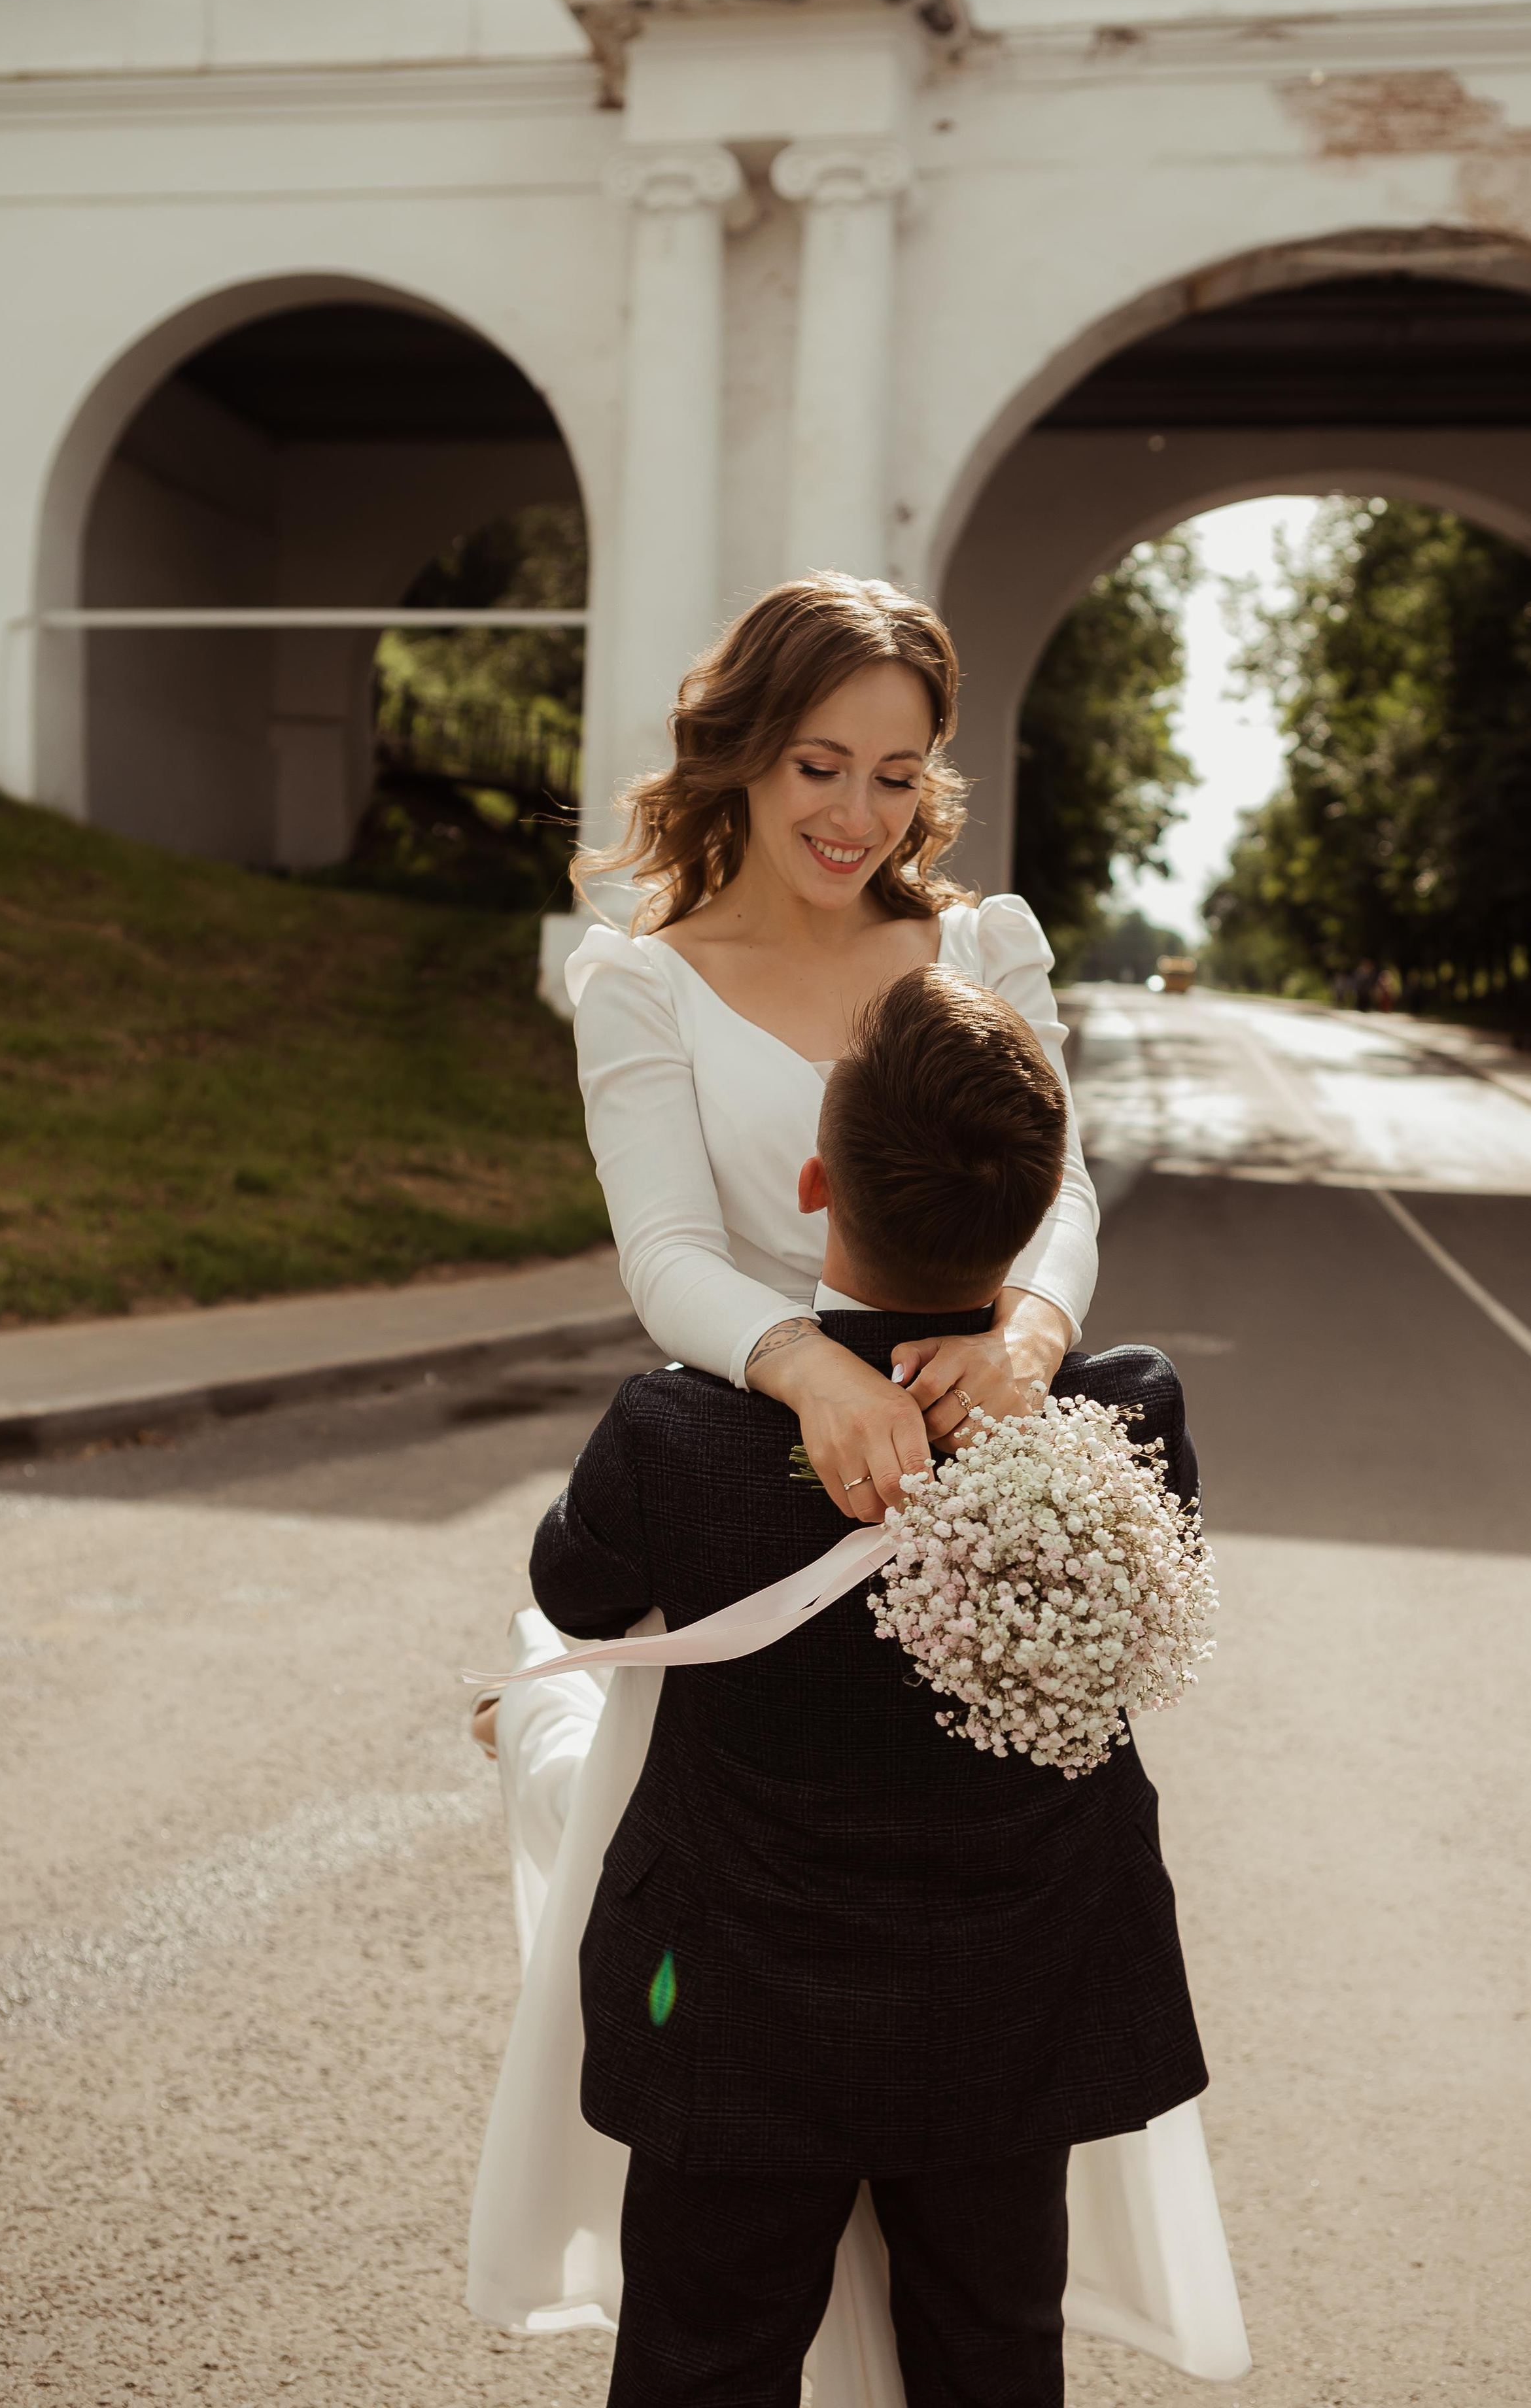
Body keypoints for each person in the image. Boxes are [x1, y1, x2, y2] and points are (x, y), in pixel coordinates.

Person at [519, 966, 1218, 2408]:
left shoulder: (674, 1433)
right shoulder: (1123, 1417)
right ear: (1032, 1221)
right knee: (992, 2351)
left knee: (700, 2362)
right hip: (1010, 2007)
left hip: (728, 2000)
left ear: (814, 1180)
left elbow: (570, 1589)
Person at [563, 571, 1098, 1521]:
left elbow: (1063, 1192)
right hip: (754, 1455)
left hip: (981, 1445)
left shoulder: (986, 950)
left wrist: (1029, 1341)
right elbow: (667, 1253)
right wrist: (812, 1370)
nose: (859, 819)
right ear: (746, 751)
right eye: (820, 768)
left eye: (896, 777)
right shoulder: (643, 987)